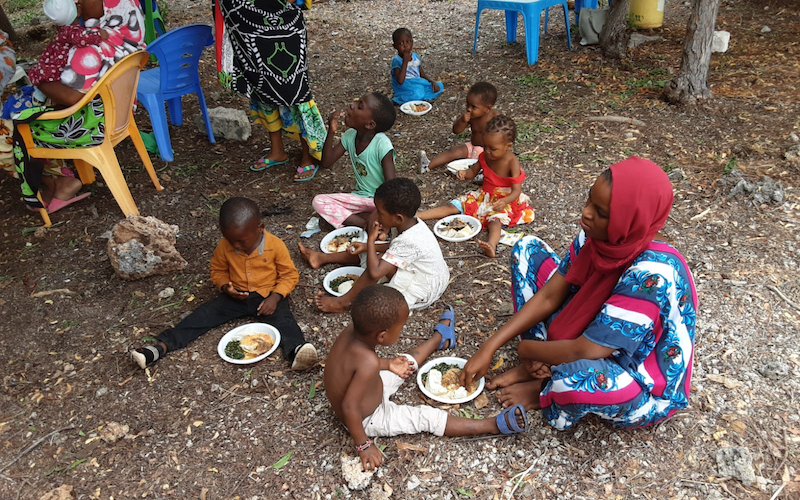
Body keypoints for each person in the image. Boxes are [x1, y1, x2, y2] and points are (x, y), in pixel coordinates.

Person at [459, 158, 698, 431]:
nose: (586, 213)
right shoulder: (595, 237)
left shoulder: (651, 276)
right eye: (589, 201)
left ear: (631, 219)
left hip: (633, 374)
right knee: (526, 250)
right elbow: (550, 295)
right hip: (590, 333)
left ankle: (545, 385)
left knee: (578, 381)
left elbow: (584, 350)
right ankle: (542, 363)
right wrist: (489, 346)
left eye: (601, 211)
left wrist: (524, 349)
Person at [324, 285, 529, 472]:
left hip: (368, 387)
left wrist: (388, 364)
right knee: (426, 418)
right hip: (366, 418)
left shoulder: (352, 332)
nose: (402, 331)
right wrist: (364, 445)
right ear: (382, 336)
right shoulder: (367, 363)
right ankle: (493, 424)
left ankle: (440, 339)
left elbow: (358, 365)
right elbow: (350, 407)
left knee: (405, 363)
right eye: (400, 328)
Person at [130, 197, 318, 371]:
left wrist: (275, 297)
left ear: (260, 227)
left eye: (241, 241)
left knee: (285, 322)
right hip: (235, 297)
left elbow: (289, 275)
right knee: (202, 315)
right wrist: (225, 287)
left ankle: (297, 351)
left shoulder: (275, 245)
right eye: (230, 240)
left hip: (268, 296)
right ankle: (160, 347)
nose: (235, 246)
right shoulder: (224, 246)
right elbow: (217, 271)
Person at [11, 0, 145, 214]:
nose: (78, 2)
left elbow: (71, 98)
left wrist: (40, 80)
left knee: (11, 129)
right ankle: (62, 177)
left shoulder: (87, 52)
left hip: (90, 126)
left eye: (83, 0)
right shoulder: (127, 31)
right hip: (119, 115)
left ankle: (54, 182)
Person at [299, 178, 449, 314]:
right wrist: (366, 247)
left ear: (397, 218)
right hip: (420, 270)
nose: (376, 215)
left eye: (380, 212)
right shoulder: (409, 223)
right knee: (369, 252)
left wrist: (370, 241)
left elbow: (376, 272)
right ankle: (321, 258)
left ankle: (343, 302)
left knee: (376, 262)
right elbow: (395, 247)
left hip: (424, 288)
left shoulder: (409, 239)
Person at [214, 0, 327, 179]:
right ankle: (277, 151)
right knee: (261, 86)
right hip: (245, 26)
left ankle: (308, 156)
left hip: (283, 24)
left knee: (295, 92)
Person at [417, 115, 534, 258]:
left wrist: (505, 201)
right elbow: (472, 172)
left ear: (508, 146)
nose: (488, 151)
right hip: (484, 195)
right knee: (456, 205)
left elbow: (517, 191)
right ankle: (419, 215)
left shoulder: (512, 162)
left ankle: (491, 245)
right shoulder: (484, 156)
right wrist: (464, 174)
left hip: (504, 199)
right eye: (485, 146)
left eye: (493, 148)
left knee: (495, 222)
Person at [311, 92, 397, 230]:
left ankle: (367, 222)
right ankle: (366, 222)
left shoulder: (382, 144)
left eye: (359, 106)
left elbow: (392, 187)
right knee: (319, 203)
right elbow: (326, 163)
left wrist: (379, 210)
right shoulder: (350, 136)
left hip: (380, 202)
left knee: (322, 207)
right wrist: (331, 132)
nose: (352, 105)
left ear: (370, 124)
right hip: (360, 198)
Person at [419, 82, 498, 173]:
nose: (469, 109)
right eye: (467, 104)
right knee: (453, 151)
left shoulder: (495, 118)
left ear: (487, 108)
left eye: (474, 107)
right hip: (472, 147)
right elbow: (456, 131)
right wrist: (463, 121)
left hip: (487, 152)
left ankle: (482, 175)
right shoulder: (471, 117)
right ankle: (427, 166)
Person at [28, 0, 110, 89]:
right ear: (78, 11)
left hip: (53, 61)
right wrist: (99, 35)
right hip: (58, 65)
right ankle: (40, 96)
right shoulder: (71, 31)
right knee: (52, 78)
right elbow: (81, 40)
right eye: (78, 5)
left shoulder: (63, 29)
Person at [390, 28, 443, 106]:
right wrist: (405, 62)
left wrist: (432, 82)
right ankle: (399, 99)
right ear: (395, 46)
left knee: (440, 86)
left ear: (412, 42)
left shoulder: (415, 57)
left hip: (417, 83)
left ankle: (419, 98)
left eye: (408, 42)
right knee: (417, 93)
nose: (405, 46)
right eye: (401, 43)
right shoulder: (397, 60)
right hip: (405, 86)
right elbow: (400, 81)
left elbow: (422, 74)